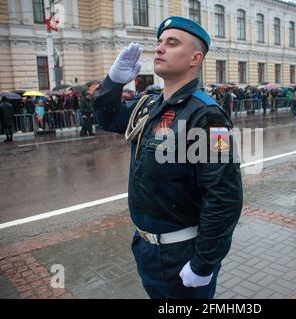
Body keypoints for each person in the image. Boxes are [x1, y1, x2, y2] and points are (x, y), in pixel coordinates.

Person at [92, 16, 243, 299]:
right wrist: (112, 82)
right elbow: (107, 118)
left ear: (195, 58)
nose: (159, 48)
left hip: (180, 254)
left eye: (171, 43)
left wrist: (203, 264)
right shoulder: (149, 104)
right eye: (159, 42)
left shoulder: (206, 115)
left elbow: (223, 196)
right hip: (147, 247)